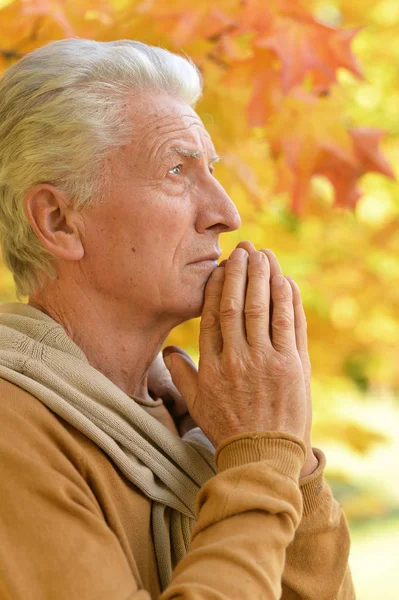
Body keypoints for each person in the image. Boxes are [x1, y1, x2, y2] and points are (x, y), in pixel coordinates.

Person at [0, 38, 355, 599]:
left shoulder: (199, 423)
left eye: (210, 170)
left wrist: (288, 458)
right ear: (58, 220)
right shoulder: (12, 432)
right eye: (175, 170)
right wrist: (260, 462)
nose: (225, 213)